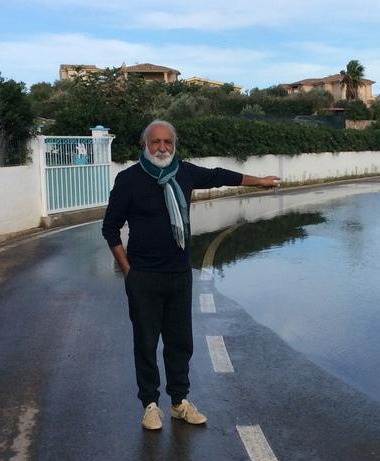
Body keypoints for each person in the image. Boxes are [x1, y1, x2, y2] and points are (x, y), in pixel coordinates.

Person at [102, 119, 279, 430]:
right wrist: (128, 270)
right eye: (155, 142)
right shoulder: (129, 179)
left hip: (179, 275)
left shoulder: (182, 172)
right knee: (145, 342)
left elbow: (219, 176)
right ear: (145, 144)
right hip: (143, 276)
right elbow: (110, 228)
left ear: (175, 145)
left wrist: (259, 181)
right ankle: (150, 405)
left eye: (167, 142)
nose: (161, 148)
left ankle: (179, 402)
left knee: (180, 342)